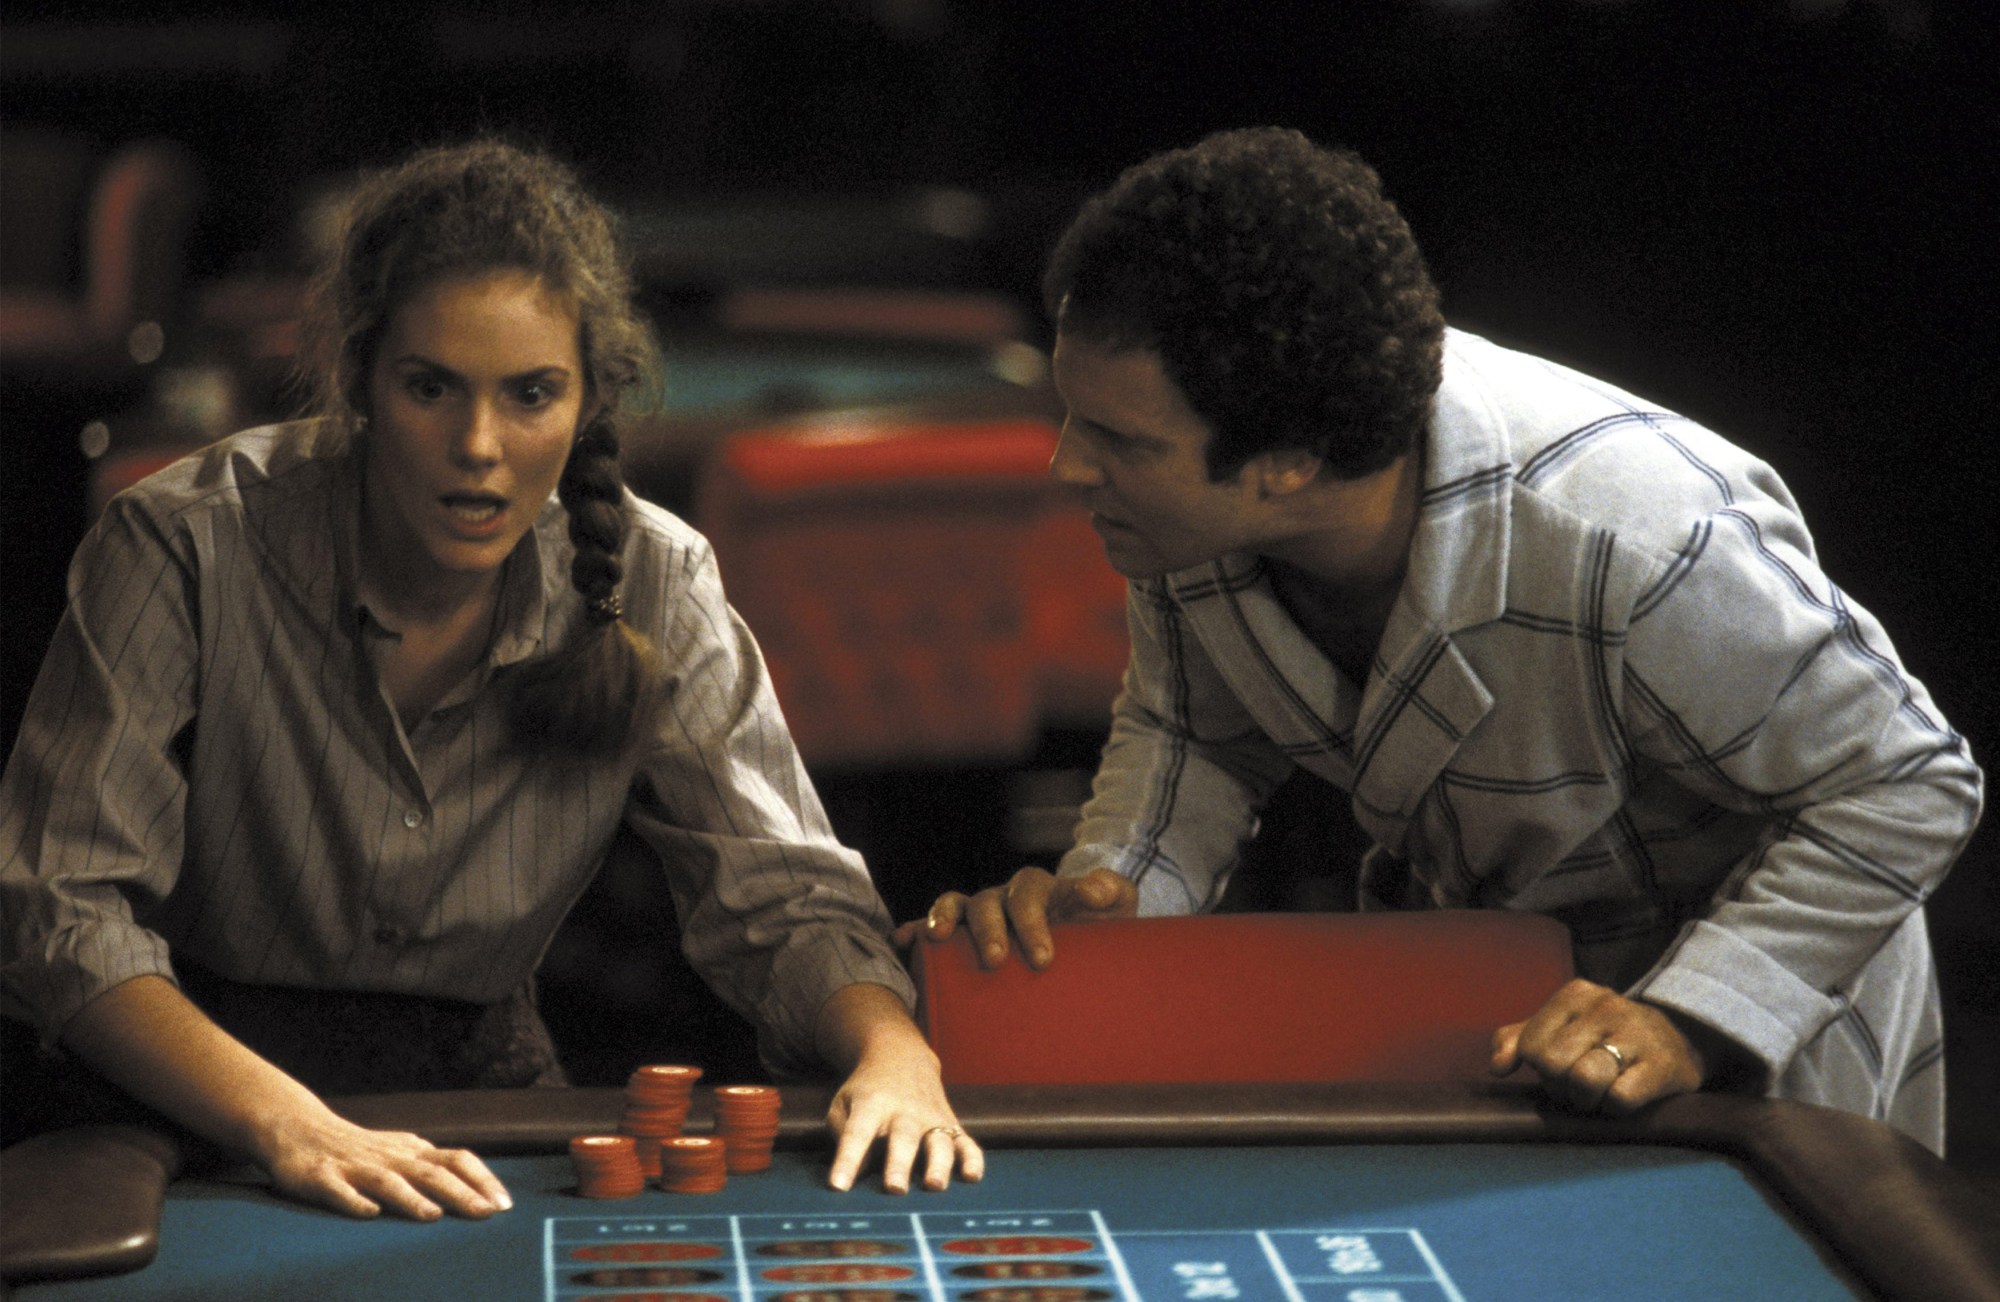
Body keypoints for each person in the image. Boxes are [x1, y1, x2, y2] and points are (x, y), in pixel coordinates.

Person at [901, 127, 1983, 1152]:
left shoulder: (1639, 537)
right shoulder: (1183, 517)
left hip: (1747, 1004)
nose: (1065, 468)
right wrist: (1112, 897)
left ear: (1288, 463)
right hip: (1485, 990)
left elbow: (1906, 784)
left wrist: (1688, 1020)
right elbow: (1194, 733)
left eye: (1117, 441)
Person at [0, 139, 981, 1220]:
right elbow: (61, 911)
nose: (479, 445)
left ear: (587, 399)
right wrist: (286, 1120)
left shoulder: (653, 577)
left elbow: (786, 904)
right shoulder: (182, 544)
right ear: (361, 378)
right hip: (175, 1078)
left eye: (529, 395)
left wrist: (896, 1054)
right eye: (431, 388)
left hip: (474, 1083)